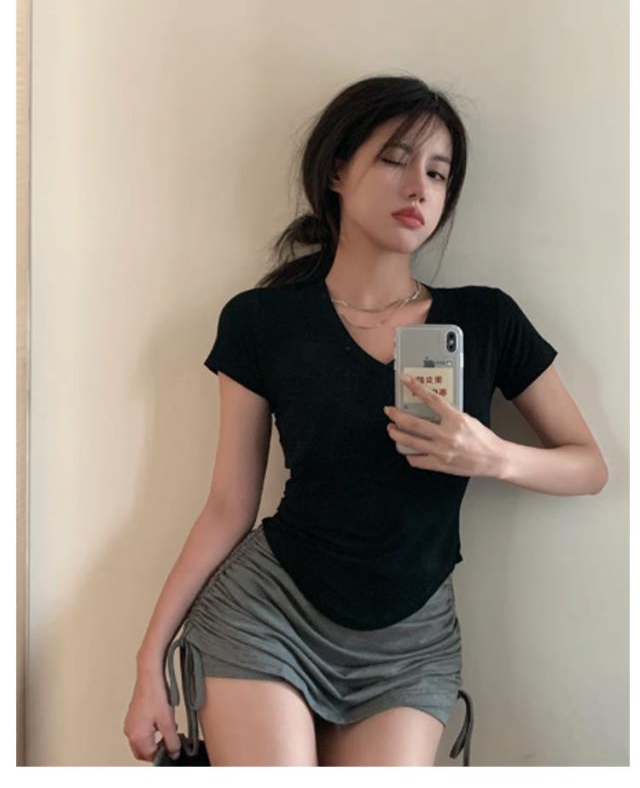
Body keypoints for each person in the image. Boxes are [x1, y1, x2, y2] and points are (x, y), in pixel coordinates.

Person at [123, 75, 607, 766]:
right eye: (394, 159)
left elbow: (589, 466)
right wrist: (150, 662)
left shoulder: (487, 318)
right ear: (336, 172)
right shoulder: (262, 321)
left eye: (437, 172)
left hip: (411, 646)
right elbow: (228, 506)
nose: (419, 187)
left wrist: (494, 455)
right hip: (270, 615)